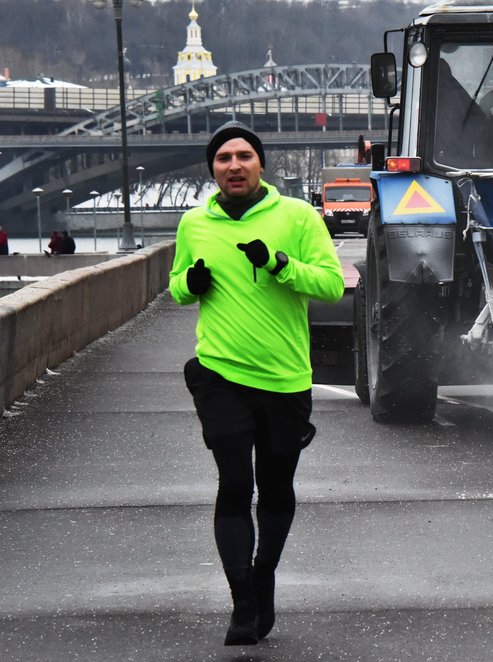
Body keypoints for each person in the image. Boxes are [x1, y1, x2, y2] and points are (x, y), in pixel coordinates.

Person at [169, 121, 344, 646]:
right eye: (223, 158)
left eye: (244, 155)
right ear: (213, 169)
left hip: (284, 378)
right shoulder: (194, 222)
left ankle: (263, 571)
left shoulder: (297, 216)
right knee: (233, 480)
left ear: (261, 164)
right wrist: (189, 283)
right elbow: (177, 287)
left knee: (274, 484)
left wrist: (280, 264)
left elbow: (333, 284)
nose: (234, 165)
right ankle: (242, 601)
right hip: (220, 373)